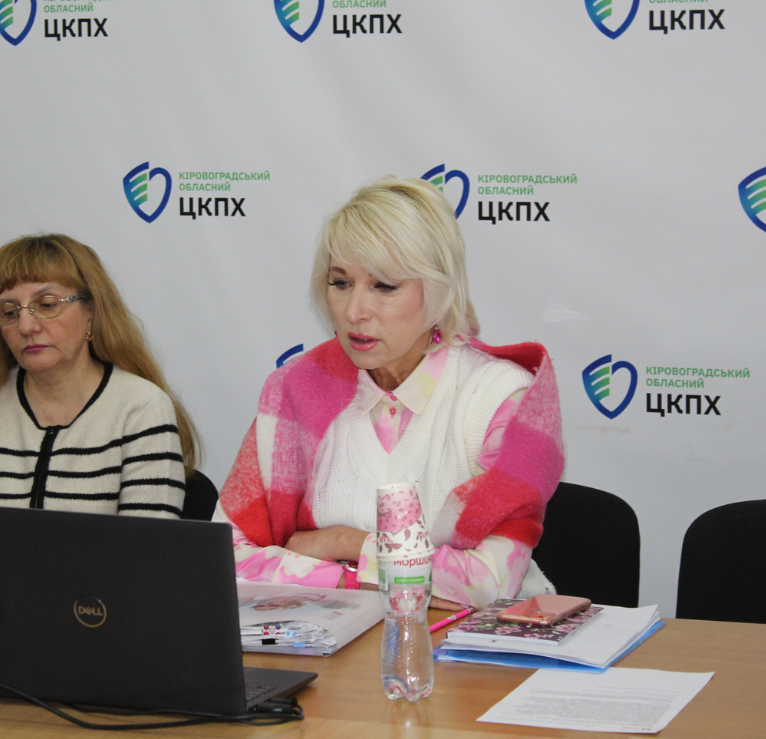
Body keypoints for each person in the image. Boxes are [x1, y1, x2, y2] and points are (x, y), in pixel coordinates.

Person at [214, 177, 564, 609]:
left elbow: (486, 584)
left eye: (384, 286)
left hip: (478, 645)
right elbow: (224, 558)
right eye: (340, 283)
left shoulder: (499, 397)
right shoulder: (295, 390)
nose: (354, 311)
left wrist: (342, 543)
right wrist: (357, 579)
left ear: (438, 290)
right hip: (334, 641)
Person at [0, 234, 200, 572]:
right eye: (9, 312)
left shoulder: (141, 409)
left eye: (47, 305)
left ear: (91, 311)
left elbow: (144, 564)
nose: (26, 326)